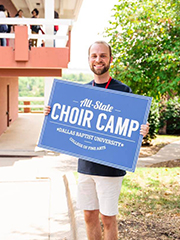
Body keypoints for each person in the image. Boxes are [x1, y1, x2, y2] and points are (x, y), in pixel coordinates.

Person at [44, 41, 149, 240]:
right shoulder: (80, 93)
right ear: (89, 60)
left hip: (110, 169)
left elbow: (133, 127)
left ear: (110, 59)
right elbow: (65, 121)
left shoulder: (123, 91)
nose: (98, 60)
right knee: (89, 215)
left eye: (102, 56)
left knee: (108, 219)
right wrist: (52, 113)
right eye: (94, 56)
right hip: (86, 166)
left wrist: (142, 130)